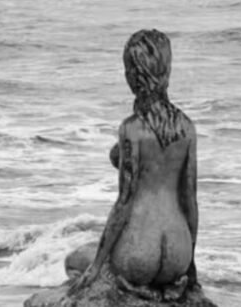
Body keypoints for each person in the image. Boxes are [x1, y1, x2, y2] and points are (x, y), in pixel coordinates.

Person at [69, 29, 201, 301]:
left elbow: (124, 203)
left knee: (74, 260)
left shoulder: (132, 129)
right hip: (178, 253)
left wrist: (96, 267)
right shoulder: (187, 128)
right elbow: (190, 200)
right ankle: (169, 286)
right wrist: (191, 266)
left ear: (133, 75)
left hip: (140, 253)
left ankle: (128, 286)